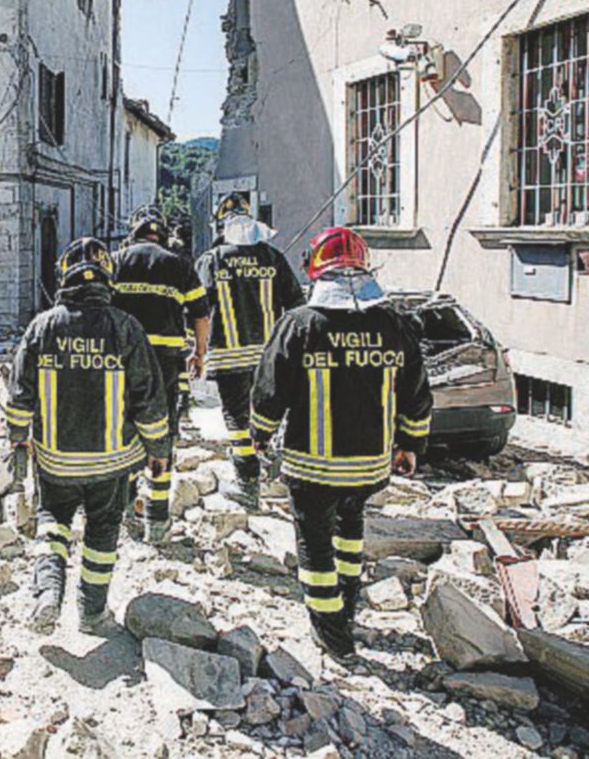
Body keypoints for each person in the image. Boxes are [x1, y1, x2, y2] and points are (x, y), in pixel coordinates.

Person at [250, 226, 432, 659]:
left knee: (315, 547)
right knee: (350, 533)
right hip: (369, 467)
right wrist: (410, 445)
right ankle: (347, 609)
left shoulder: (299, 325)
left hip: (312, 468)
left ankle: (331, 634)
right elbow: (417, 393)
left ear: (315, 271)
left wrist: (260, 433)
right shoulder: (394, 324)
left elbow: (269, 390)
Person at [7, 236, 171, 635]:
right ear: (106, 279)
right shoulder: (126, 327)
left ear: (64, 277)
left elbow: (19, 395)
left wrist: (18, 438)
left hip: (56, 461)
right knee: (102, 533)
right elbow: (149, 398)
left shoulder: (41, 327)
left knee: (52, 523)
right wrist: (158, 449)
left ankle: (48, 591)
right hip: (111, 464)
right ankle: (91, 612)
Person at [195, 193, 304, 509]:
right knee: (270, 412)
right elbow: (297, 304)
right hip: (269, 356)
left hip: (229, 356)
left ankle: (247, 482)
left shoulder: (211, 260)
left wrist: (197, 349)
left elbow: (199, 307)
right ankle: (274, 467)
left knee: (237, 418)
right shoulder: (272, 257)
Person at [112, 205, 210, 542]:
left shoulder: (115, 261)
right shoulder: (178, 264)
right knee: (162, 439)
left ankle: (125, 511)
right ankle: (156, 521)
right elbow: (200, 313)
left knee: (123, 434)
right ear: (162, 233)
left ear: (134, 230)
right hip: (166, 366)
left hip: (122, 365)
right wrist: (199, 353)